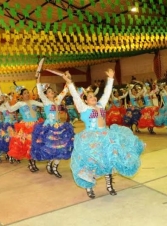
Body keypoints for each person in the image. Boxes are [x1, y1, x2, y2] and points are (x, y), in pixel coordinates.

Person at [62, 69, 145, 199]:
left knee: (109, 160)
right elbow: (75, 96)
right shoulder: (83, 108)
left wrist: (111, 79)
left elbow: (106, 93)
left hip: (106, 135)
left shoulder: (100, 105)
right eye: (90, 97)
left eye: (94, 96)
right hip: (90, 138)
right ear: (85, 100)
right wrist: (69, 82)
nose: (93, 98)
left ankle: (109, 185)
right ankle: (89, 187)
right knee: (91, 162)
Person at [30, 73, 74, 177]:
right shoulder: (45, 101)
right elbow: (40, 91)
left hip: (59, 126)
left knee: (61, 147)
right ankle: (50, 163)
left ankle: (54, 167)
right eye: (49, 91)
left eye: (52, 91)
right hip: (49, 127)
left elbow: (64, 91)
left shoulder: (57, 100)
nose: (52, 92)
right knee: (51, 147)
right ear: (46, 94)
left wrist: (68, 80)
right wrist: (38, 80)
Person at [4, 84, 44, 172]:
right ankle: (31, 163)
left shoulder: (33, 102)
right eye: (25, 93)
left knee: (35, 144)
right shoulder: (20, 103)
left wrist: (43, 94)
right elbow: (10, 110)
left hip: (36, 124)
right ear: (21, 96)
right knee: (28, 145)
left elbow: (44, 104)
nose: (27, 94)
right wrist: (6, 102)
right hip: (26, 126)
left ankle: (33, 162)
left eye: (27, 93)